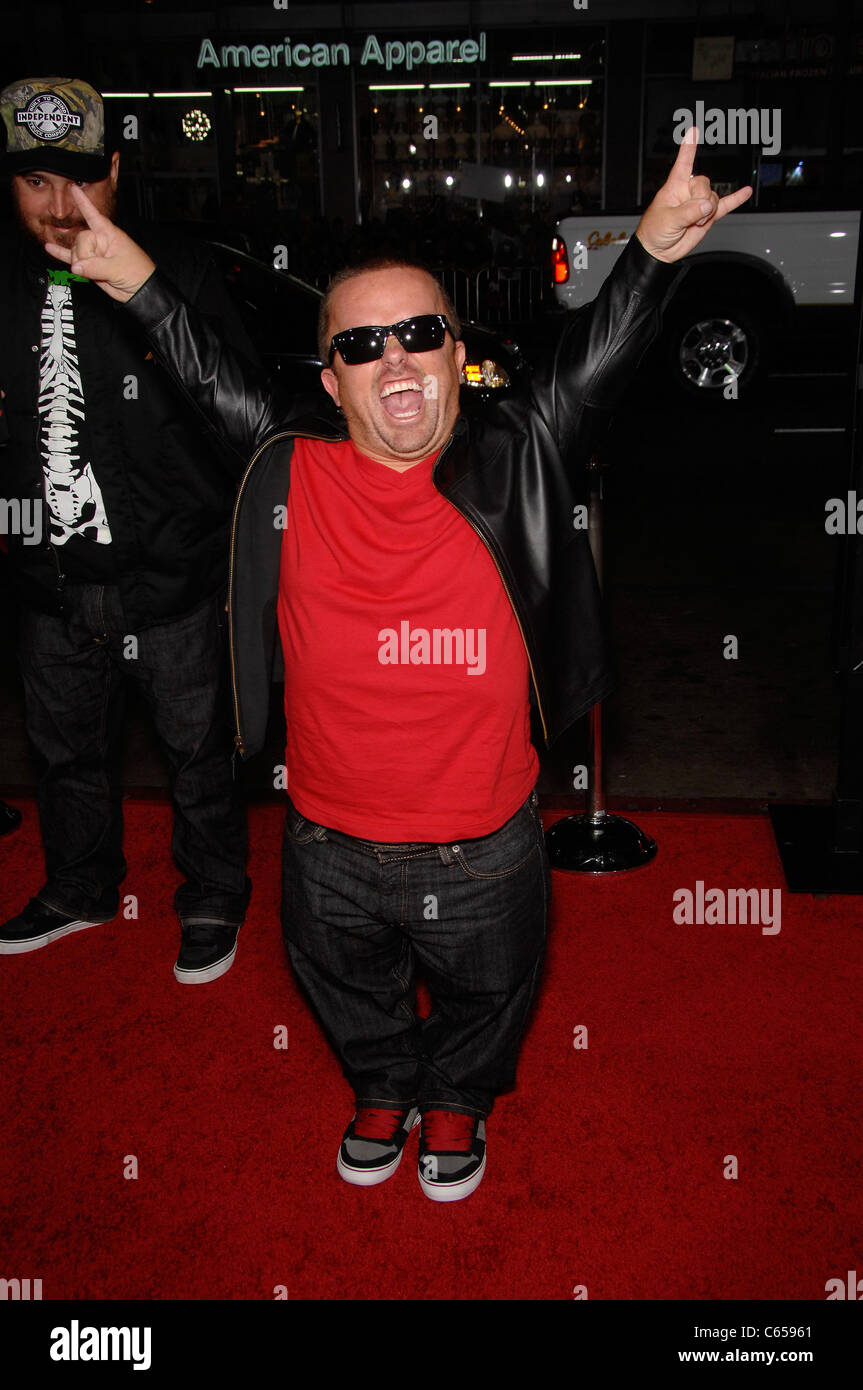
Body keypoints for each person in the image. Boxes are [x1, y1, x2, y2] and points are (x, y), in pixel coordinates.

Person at [47, 127, 751, 1200]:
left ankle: (459, 1097)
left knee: (490, 996)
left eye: (419, 333)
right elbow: (205, 371)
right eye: (361, 345)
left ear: (454, 350)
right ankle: (382, 1083)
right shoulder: (294, 464)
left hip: (485, 846)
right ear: (329, 379)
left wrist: (651, 252)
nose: (396, 361)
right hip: (325, 839)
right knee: (344, 990)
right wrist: (132, 276)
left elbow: (596, 361)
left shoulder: (520, 451)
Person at [0, 76, 258, 982]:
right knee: (64, 750)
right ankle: (78, 887)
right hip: (47, 582)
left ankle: (214, 894)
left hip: (172, 577)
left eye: (78, 179)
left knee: (199, 756)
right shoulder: (2, 283)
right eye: (34, 182)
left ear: (114, 169)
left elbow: (240, 414)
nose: (60, 206)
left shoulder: (177, 271)